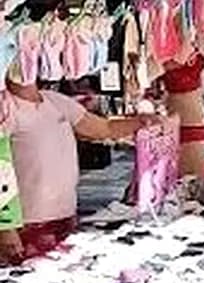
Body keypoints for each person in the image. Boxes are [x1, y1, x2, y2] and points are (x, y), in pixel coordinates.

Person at [0, 79, 158, 263]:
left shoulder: (55, 101)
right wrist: (6, 227)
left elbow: (103, 128)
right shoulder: (6, 108)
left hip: (66, 215)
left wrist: (141, 122)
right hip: (25, 225)